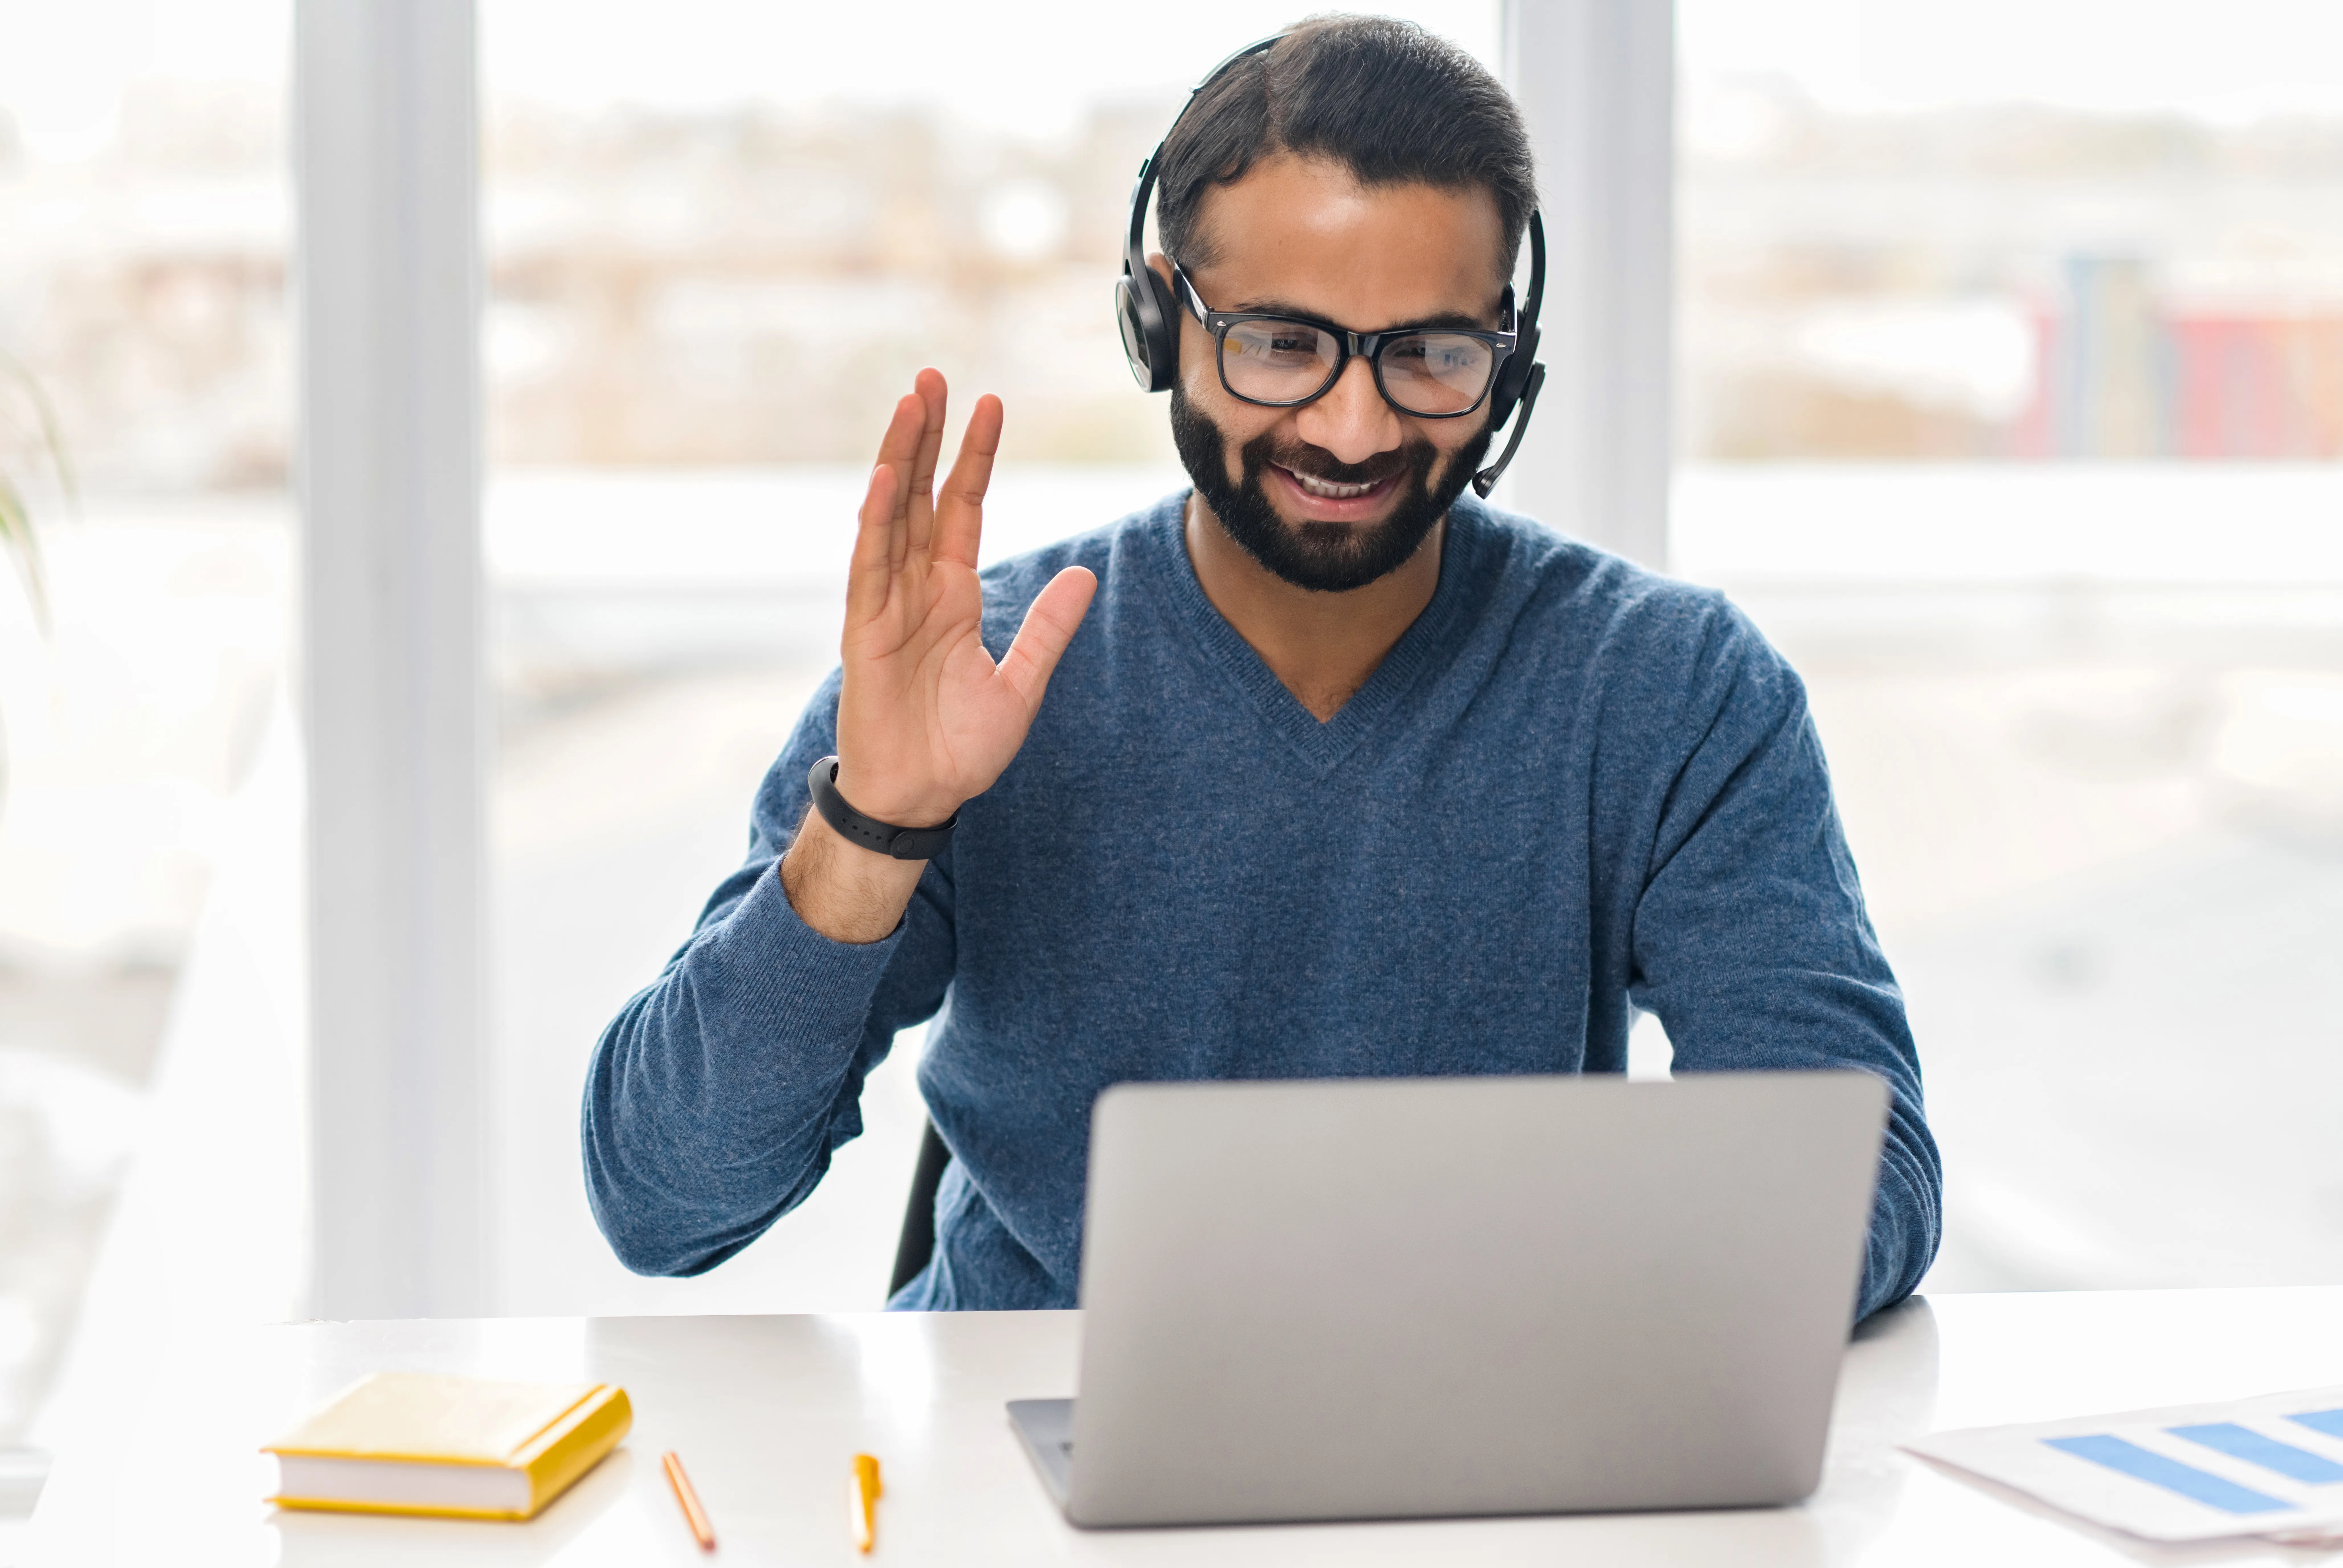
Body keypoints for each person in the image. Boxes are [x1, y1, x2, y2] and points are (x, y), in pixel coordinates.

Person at [581, 16, 1941, 1318]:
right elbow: (664, 1201)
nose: (1354, 428)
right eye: (1282, 343)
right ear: (1160, 323)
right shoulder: (978, 675)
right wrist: (873, 826)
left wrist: (1565, 1321)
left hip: (1491, 1452)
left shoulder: (1672, 690)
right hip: (1008, 1459)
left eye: (1430, 354)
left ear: (1508, 370)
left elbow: (1865, 1172)